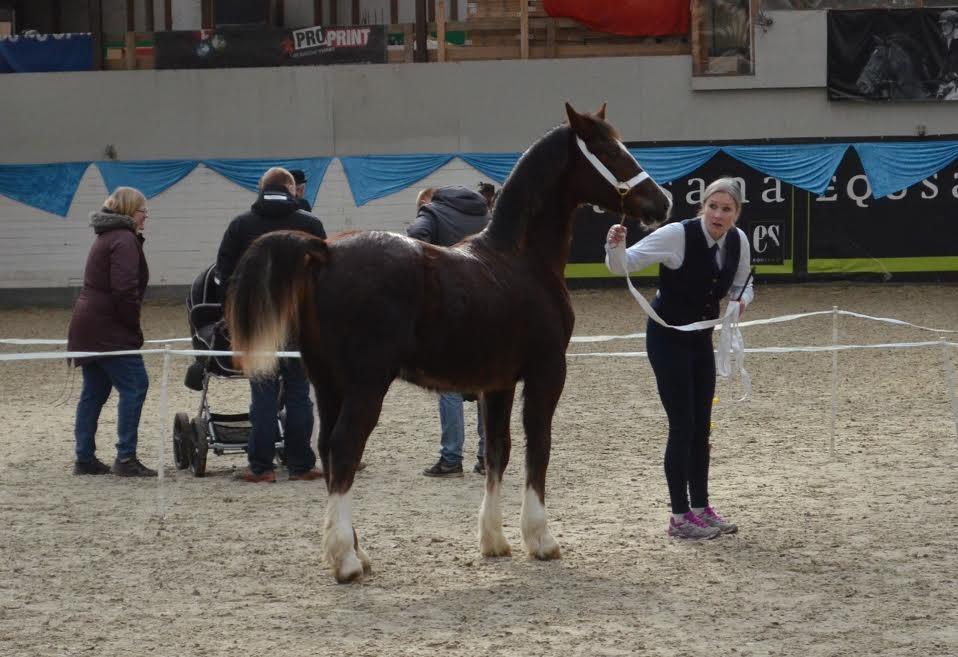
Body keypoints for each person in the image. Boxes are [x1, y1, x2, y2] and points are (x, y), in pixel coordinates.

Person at [605, 177, 753, 539]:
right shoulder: (677, 234)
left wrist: (741, 300)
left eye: (727, 209)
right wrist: (615, 247)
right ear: (703, 206)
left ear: (736, 212)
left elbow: (744, 281)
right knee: (682, 425)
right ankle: (679, 516)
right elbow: (623, 265)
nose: (718, 214)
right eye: (713, 206)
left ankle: (701, 507)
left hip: (701, 339)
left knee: (702, 427)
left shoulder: (738, 240)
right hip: (666, 338)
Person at [216, 167, 327, 483]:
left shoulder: (241, 225)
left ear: (260, 188)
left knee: (262, 397)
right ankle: (301, 464)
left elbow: (223, 276)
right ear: (293, 190)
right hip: (297, 323)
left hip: (257, 324)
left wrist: (239, 314)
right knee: (298, 394)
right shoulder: (309, 225)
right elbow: (323, 275)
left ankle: (261, 466)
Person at [68, 187, 156, 477]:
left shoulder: (107, 236)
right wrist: (132, 326)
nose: (146, 216)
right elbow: (124, 290)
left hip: (88, 323)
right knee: (135, 385)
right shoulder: (124, 239)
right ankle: (126, 457)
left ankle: (84, 457)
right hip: (109, 328)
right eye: (144, 210)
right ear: (131, 211)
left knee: (94, 392)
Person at [407, 184, 491, 477]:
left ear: (428, 201)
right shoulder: (484, 214)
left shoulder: (430, 214)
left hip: (449, 311)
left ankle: (451, 459)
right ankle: (488, 457)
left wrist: (437, 270)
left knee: (449, 387)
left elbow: (415, 237)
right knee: (486, 386)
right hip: (488, 310)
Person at [936, 10, 958, 99]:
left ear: (955, 25)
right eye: (942, 24)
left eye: (946, 24)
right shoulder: (947, 41)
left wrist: (955, 75)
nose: (943, 27)